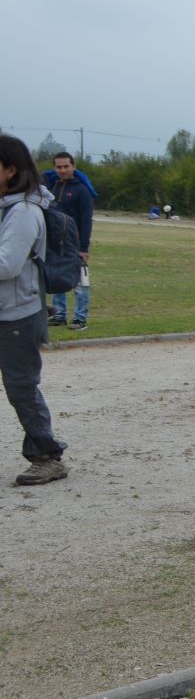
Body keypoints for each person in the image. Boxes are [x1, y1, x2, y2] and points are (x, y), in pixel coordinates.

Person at [0, 136, 68, 486]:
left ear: (11, 170)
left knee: (21, 388)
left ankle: (47, 457)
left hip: (16, 315)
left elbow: (7, 265)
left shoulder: (24, 211)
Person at [45, 153, 94, 330]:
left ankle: (80, 318)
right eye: (59, 167)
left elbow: (87, 220)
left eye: (66, 166)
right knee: (57, 277)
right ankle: (59, 314)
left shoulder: (82, 190)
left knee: (80, 280)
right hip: (55, 243)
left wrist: (84, 247)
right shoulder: (52, 186)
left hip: (76, 243)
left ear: (73, 166)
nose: (62, 170)